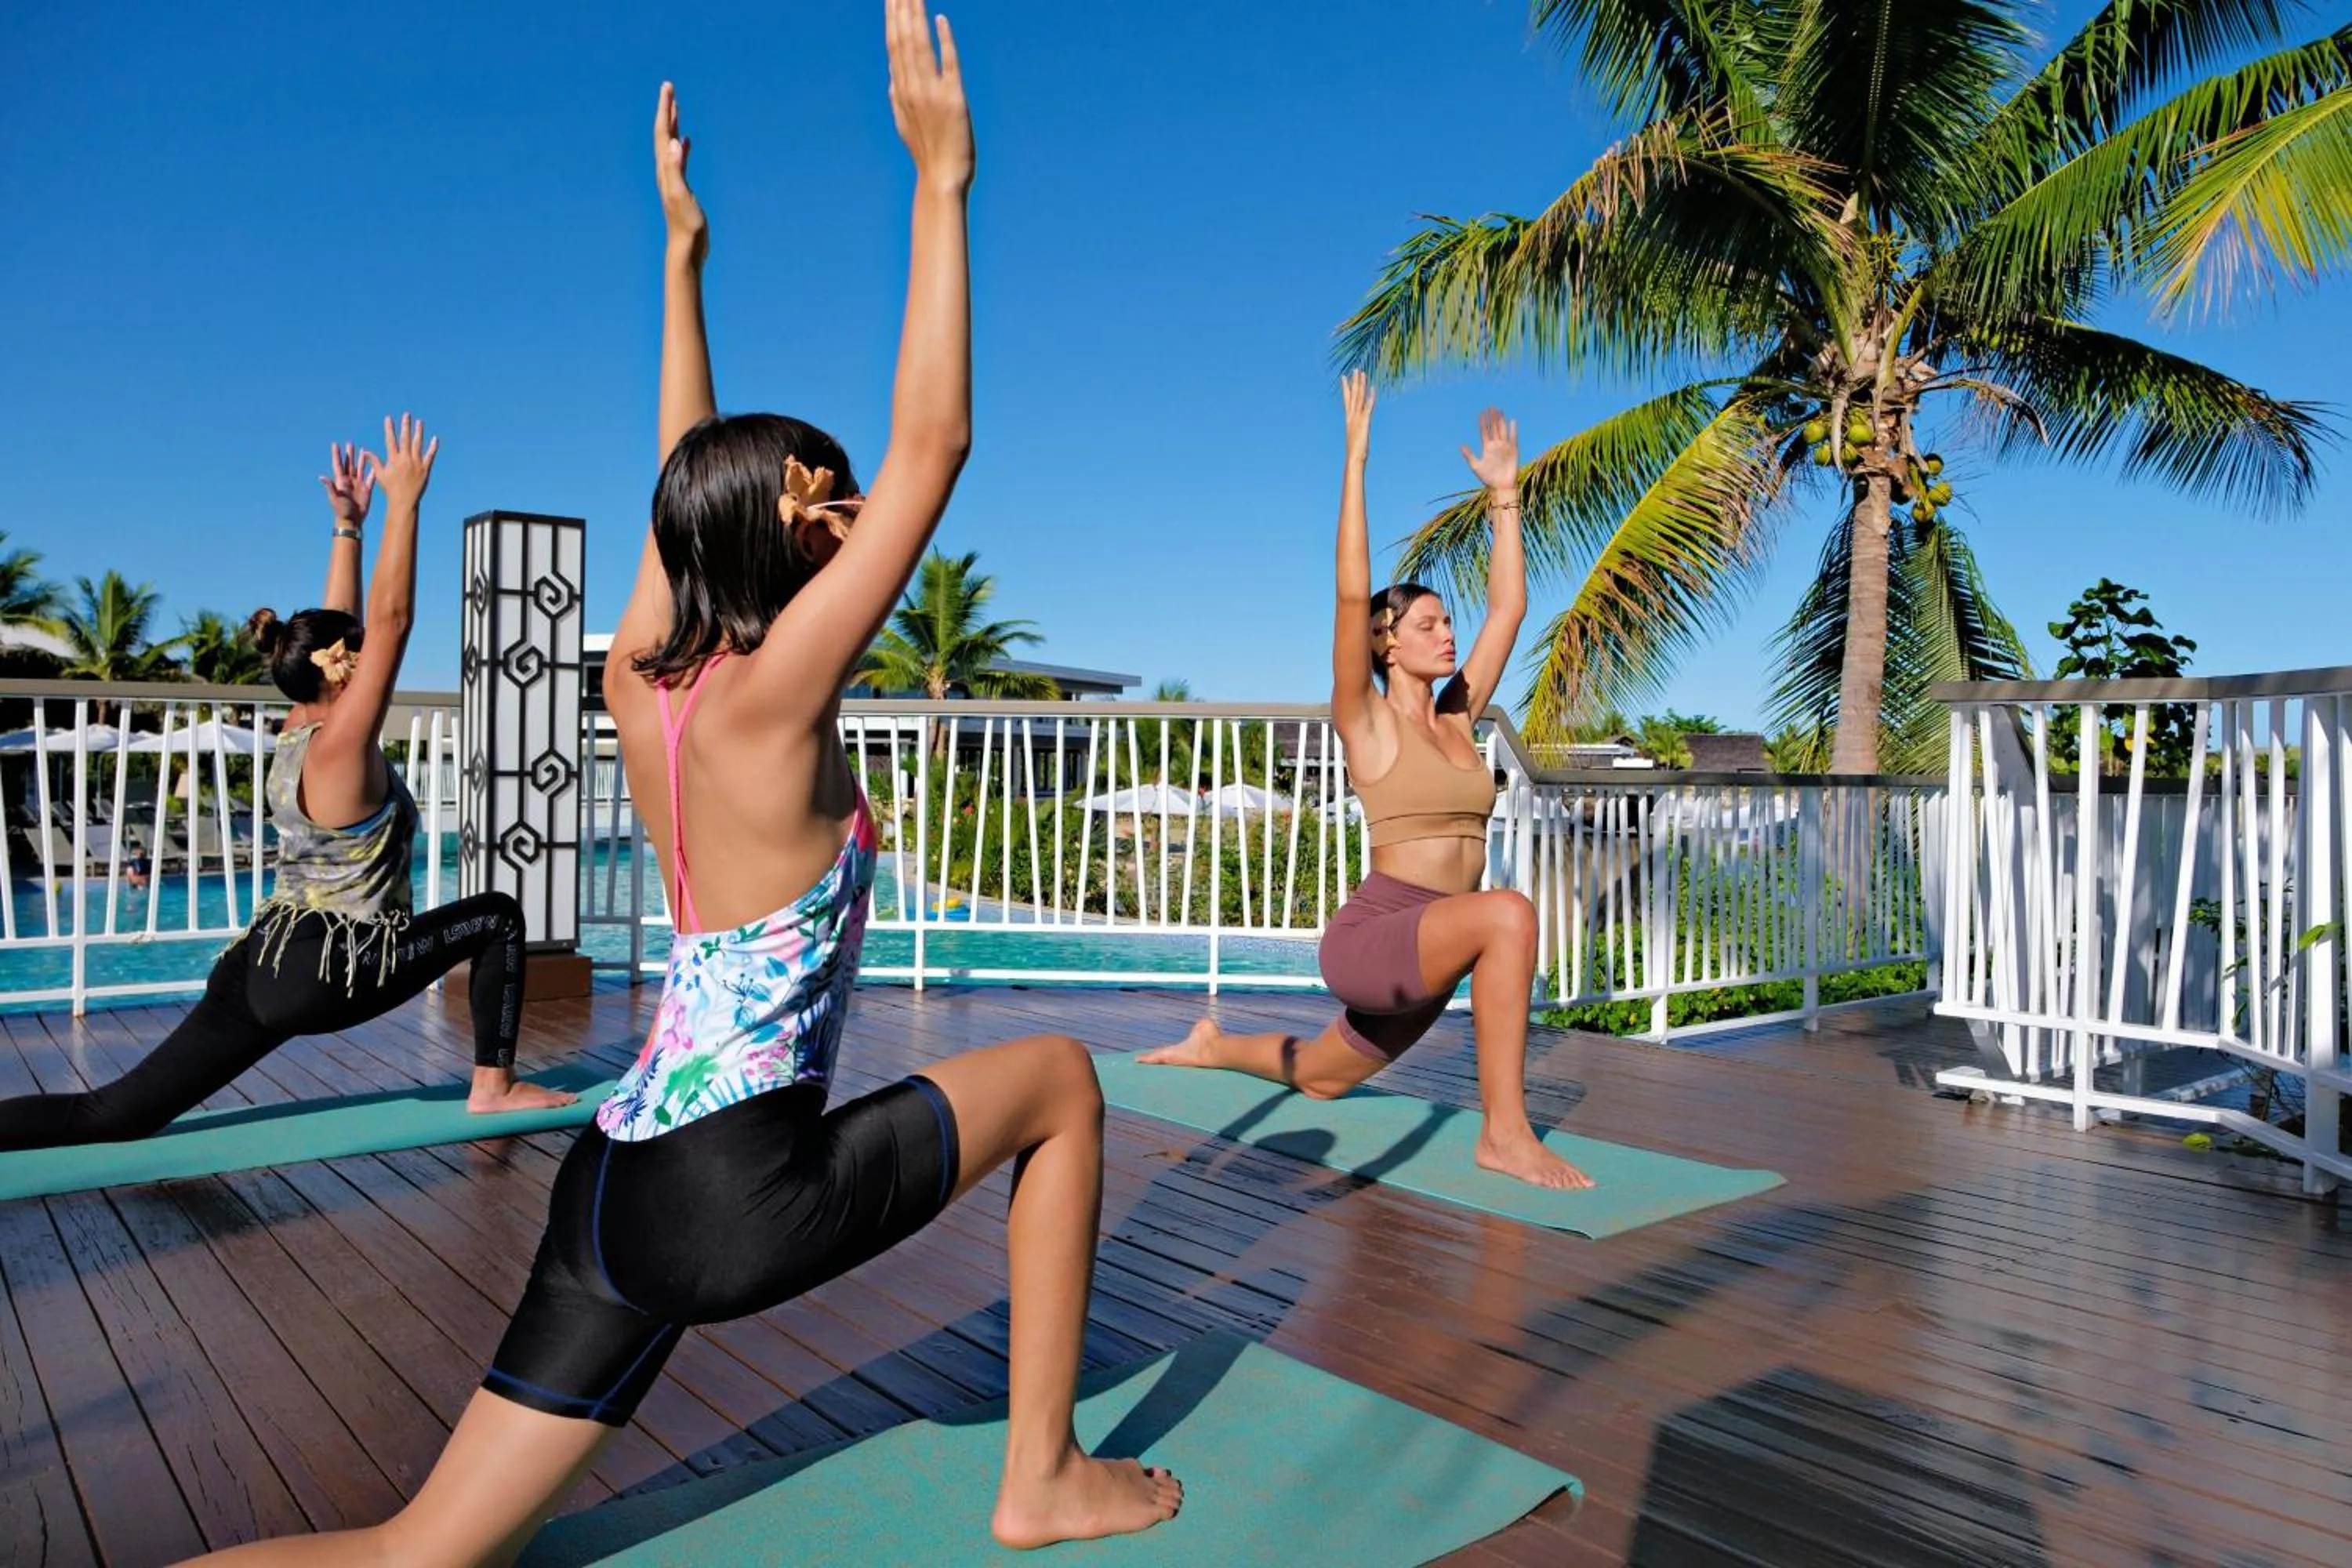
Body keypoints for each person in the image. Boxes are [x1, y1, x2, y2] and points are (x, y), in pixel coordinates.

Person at [194, 7, 1180, 1561]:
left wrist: (682, 266)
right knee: (1061, 1078)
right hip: (731, 1189)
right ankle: (1041, 1476)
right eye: (821, 501)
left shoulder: (645, 686)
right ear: (776, 544)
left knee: (413, 1552)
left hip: (615, 1183)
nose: (854, 514)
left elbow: (682, 471)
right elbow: (938, 446)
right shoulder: (774, 699)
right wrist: (942, 188)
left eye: (845, 492)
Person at [0, 422, 572, 1155]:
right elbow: (391, 623)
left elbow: (335, 631)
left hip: (256, 964)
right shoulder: (342, 749)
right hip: (332, 972)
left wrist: (347, 527)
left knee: (112, 1114)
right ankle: (491, 1085)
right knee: (497, 915)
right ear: (347, 671)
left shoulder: (297, 732)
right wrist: (405, 503)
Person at [1140, 372, 1592, 1191]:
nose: (1447, 633)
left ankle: (1214, 1045)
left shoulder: (1459, 716)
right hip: (1378, 936)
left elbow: (1511, 609)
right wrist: (1355, 458)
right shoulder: (1366, 718)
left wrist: (1505, 497)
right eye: (1428, 625)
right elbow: (1352, 593)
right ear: (1387, 643)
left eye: (1447, 620)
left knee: (1323, 1073)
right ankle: (1505, 1133)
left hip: (1436, 941)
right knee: (1510, 912)